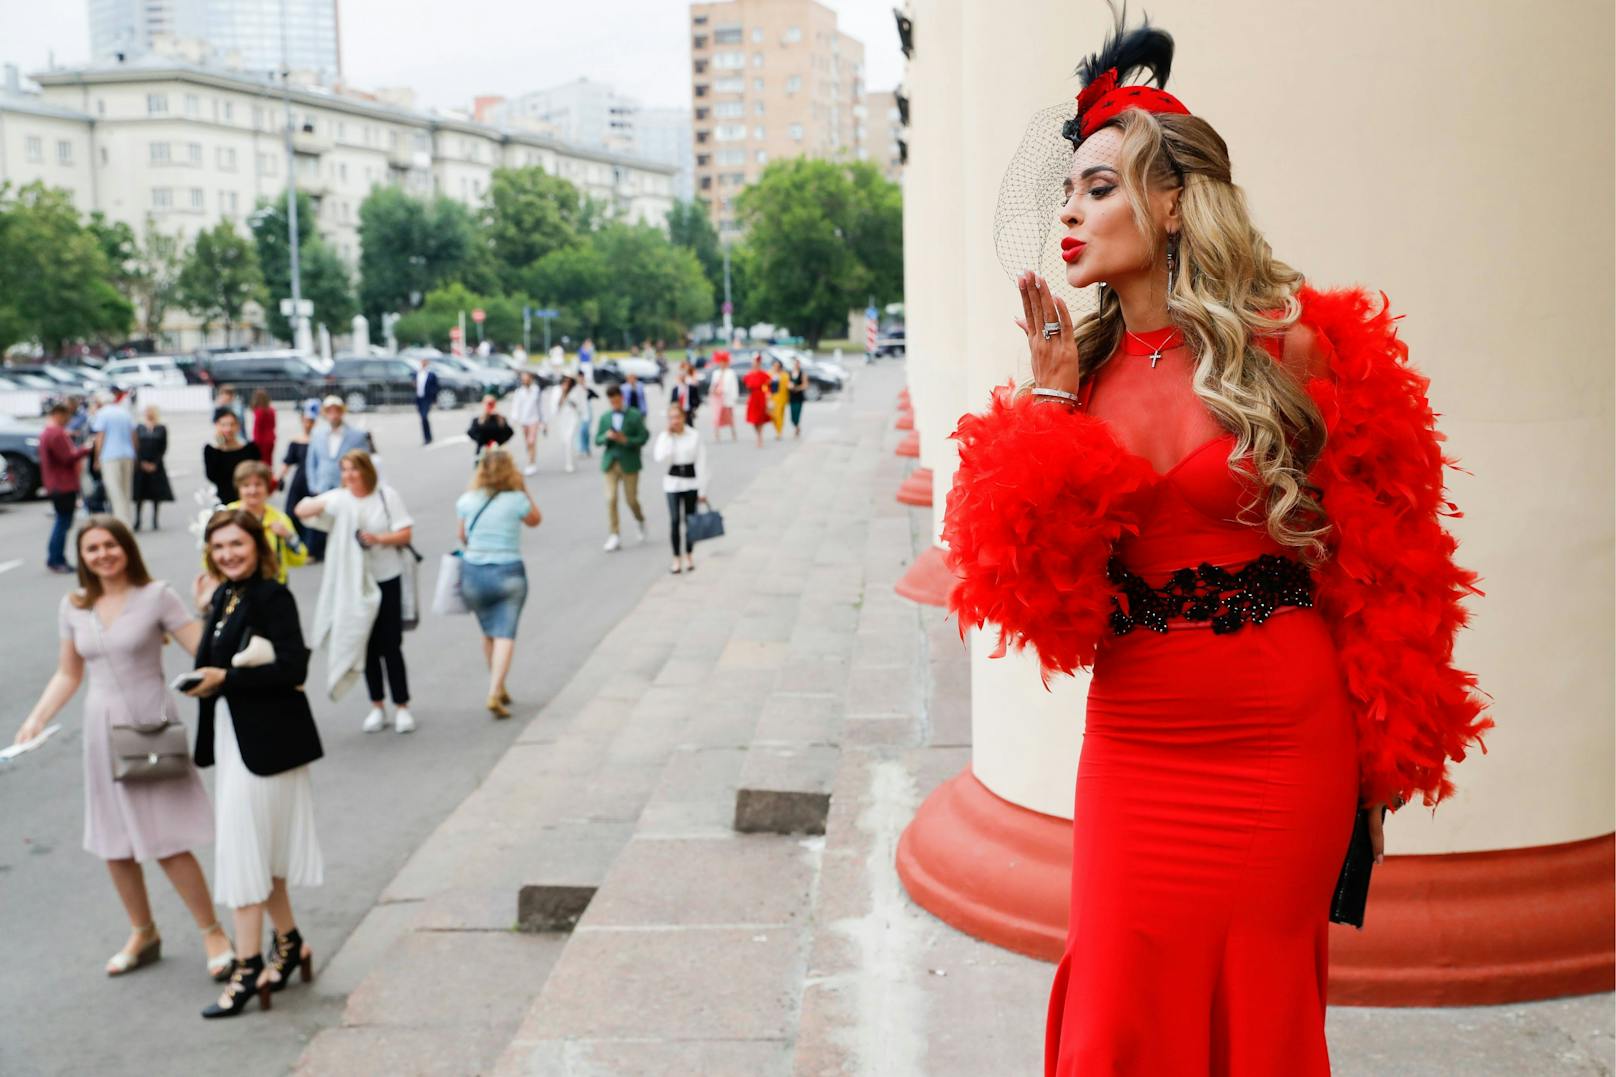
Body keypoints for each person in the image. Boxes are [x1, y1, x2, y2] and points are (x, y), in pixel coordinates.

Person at [942, 18, 1489, 1075]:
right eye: (1066, 190)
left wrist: (1384, 750)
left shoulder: (1291, 346)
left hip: (1279, 742)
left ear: (1173, 200)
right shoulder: (1077, 374)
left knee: (1255, 999)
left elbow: (1382, 557)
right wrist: (1046, 404)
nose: (1067, 209)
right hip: (1136, 735)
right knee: (1113, 1009)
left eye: (1096, 185)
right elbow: (1026, 601)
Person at [13, 516, 236, 983]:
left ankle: (213, 932)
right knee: (115, 843)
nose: (102, 555)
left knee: (167, 840)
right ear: (83, 558)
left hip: (150, 726)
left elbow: (203, 652)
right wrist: (36, 718)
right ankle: (143, 932)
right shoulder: (74, 605)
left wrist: (208, 612)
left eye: (110, 546)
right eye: (92, 549)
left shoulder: (156, 595)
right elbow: (68, 673)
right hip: (101, 732)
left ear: (126, 548)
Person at [187, 510, 324, 1018]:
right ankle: (288, 944)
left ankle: (247, 967)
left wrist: (225, 680)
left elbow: (293, 668)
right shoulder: (224, 597)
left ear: (257, 545)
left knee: (245, 854)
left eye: (236, 545)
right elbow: (212, 660)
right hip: (234, 742)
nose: (228, 554)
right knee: (260, 854)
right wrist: (206, 613)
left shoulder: (272, 596)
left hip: (269, 746)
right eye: (219, 547)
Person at [296, 450, 417, 734]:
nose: (349, 476)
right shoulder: (340, 499)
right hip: (354, 582)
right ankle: (377, 705)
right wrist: (317, 508)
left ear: (366, 471)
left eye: (354, 470)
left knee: (390, 645)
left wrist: (377, 539)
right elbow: (303, 510)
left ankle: (402, 705)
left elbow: (405, 533)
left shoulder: (386, 496)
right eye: (345, 470)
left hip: (386, 577)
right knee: (367, 644)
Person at [454, 449, 541, 717]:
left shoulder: (467, 500)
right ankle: (494, 691)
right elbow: (535, 520)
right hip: (508, 570)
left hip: (474, 572)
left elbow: (462, 536)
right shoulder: (516, 500)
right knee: (505, 632)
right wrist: (524, 489)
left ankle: (499, 684)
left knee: (489, 631)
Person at [208, 460, 307, 589]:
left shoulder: (279, 519)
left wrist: (289, 537)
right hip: (235, 587)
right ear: (238, 488)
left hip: (273, 588)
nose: (252, 490)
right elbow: (210, 558)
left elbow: (299, 559)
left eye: (258, 484)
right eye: (246, 485)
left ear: (267, 487)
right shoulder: (225, 516)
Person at [302, 397, 370, 562]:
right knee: (320, 517)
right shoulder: (318, 434)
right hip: (323, 482)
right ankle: (315, 551)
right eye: (329, 411)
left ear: (342, 412)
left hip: (346, 483)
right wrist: (313, 483)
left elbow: (363, 460)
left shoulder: (356, 435)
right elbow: (312, 461)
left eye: (336, 410)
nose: (333, 415)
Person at [652, 401, 709, 575]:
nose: (674, 421)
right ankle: (676, 557)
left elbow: (702, 463)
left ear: (683, 417)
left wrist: (702, 489)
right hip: (673, 483)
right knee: (675, 520)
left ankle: (689, 555)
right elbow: (660, 458)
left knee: (690, 520)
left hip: (691, 482)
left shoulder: (694, 435)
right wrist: (669, 437)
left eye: (677, 417)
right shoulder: (665, 437)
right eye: (671, 418)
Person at [595, 384, 648, 552]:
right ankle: (614, 534)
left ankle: (640, 519)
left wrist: (628, 440)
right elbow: (597, 439)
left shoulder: (634, 415)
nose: (615, 404)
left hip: (629, 461)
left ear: (621, 398)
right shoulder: (605, 417)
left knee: (631, 499)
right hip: (611, 462)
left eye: (617, 401)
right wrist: (606, 436)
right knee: (610, 498)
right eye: (612, 402)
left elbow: (644, 435)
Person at [40, 401, 90, 574]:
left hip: (55, 484)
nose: (69, 419)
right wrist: (85, 449)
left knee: (63, 521)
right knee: (63, 522)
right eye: (67, 415)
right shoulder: (55, 434)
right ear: (58, 414)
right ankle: (56, 559)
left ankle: (56, 558)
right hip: (62, 484)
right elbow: (68, 457)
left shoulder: (49, 432)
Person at [276, 401, 318, 554]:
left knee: (312, 516)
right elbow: (287, 462)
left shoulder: (319, 440)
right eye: (306, 421)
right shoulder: (296, 441)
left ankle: (312, 548)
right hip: (299, 481)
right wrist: (278, 478)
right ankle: (292, 543)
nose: (308, 424)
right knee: (292, 512)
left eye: (311, 421)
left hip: (314, 482)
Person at [91, 389, 138, 524]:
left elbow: (100, 437)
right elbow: (133, 435)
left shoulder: (103, 414)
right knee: (126, 490)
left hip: (110, 456)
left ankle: (122, 523)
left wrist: (96, 458)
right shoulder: (124, 412)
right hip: (127, 454)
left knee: (115, 491)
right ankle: (127, 520)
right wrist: (134, 453)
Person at [202, 409, 260, 506]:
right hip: (223, 500)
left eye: (232, 424)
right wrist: (220, 445)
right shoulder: (211, 451)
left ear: (238, 426)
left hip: (247, 499)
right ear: (217, 426)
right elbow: (212, 476)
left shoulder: (250, 449)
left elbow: (258, 473)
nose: (228, 429)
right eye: (223, 425)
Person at [132, 404, 174, 531]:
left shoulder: (161, 428)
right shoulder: (139, 428)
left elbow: (163, 448)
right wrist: (141, 462)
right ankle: (138, 520)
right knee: (140, 494)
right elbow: (135, 446)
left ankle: (155, 520)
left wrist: (154, 463)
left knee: (155, 494)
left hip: (156, 464)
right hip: (141, 464)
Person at [542, 375, 587, 473]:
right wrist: (563, 393)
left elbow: (581, 405)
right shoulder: (557, 390)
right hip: (562, 418)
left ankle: (569, 463)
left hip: (573, 417)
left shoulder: (576, 390)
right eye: (564, 381)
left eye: (568, 381)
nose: (566, 383)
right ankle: (570, 459)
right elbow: (555, 407)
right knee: (565, 441)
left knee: (569, 439)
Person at [510, 370, 545, 475]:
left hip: (534, 420)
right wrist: (514, 420)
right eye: (523, 379)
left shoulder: (537, 391)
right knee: (528, 442)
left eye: (527, 379)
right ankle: (531, 458)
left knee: (531, 441)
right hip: (524, 420)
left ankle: (531, 463)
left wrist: (543, 422)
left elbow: (541, 407)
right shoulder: (519, 392)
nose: (525, 381)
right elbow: (516, 407)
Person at [466, 394, 515, 458]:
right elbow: (471, 433)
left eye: (492, 404)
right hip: (483, 452)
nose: (490, 406)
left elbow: (510, 432)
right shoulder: (478, 420)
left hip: (498, 453)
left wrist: (500, 419)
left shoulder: (501, 419)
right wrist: (483, 419)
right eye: (488, 404)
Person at [741, 354, 773, 449]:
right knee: (754, 419)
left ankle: (760, 436)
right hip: (753, 398)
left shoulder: (764, 375)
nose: (755, 365)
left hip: (761, 397)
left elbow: (767, 387)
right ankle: (758, 434)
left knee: (761, 418)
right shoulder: (748, 375)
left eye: (757, 363)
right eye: (754, 363)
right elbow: (747, 387)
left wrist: (767, 395)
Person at [707, 351, 739, 441]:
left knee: (730, 416)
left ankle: (733, 432)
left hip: (727, 397)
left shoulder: (730, 373)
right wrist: (712, 391)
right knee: (716, 416)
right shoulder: (716, 373)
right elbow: (713, 384)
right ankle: (717, 434)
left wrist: (734, 398)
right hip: (717, 397)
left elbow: (733, 386)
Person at [576, 340, 596, 460]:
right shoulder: (582, 356)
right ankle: (581, 448)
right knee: (581, 428)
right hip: (579, 408)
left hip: (586, 406)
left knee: (586, 428)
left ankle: (586, 447)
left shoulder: (588, 379)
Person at [413, 358, 439, 445]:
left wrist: (434, 398)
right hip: (419, 398)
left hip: (427, 398)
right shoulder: (417, 373)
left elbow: (436, 387)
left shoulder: (431, 374)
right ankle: (427, 437)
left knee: (424, 417)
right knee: (422, 418)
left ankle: (427, 438)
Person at [248, 390, 276, 469]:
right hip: (271, 438)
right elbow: (274, 425)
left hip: (261, 440)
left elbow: (257, 427)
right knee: (269, 461)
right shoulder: (271, 410)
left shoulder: (259, 411)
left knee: (261, 461)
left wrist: (255, 441)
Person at [767, 358, 790, 439]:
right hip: (772, 397)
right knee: (772, 415)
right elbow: (765, 385)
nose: (776, 367)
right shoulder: (769, 374)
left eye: (778, 366)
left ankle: (779, 432)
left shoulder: (784, 375)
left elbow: (787, 384)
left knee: (780, 415)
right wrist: (767, 393)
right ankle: (778, 430)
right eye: (775, 366)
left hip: (782, 396)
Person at [787, 358, 809, 438]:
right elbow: (787, 383)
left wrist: (797, 388)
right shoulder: (790, 373)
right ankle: (796, 426)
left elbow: (805, 385)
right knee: (792, 416)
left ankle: (797, 428)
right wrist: (789, 387)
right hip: (792, 396)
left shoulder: (802, 373)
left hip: (799, 396)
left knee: (797, 413)